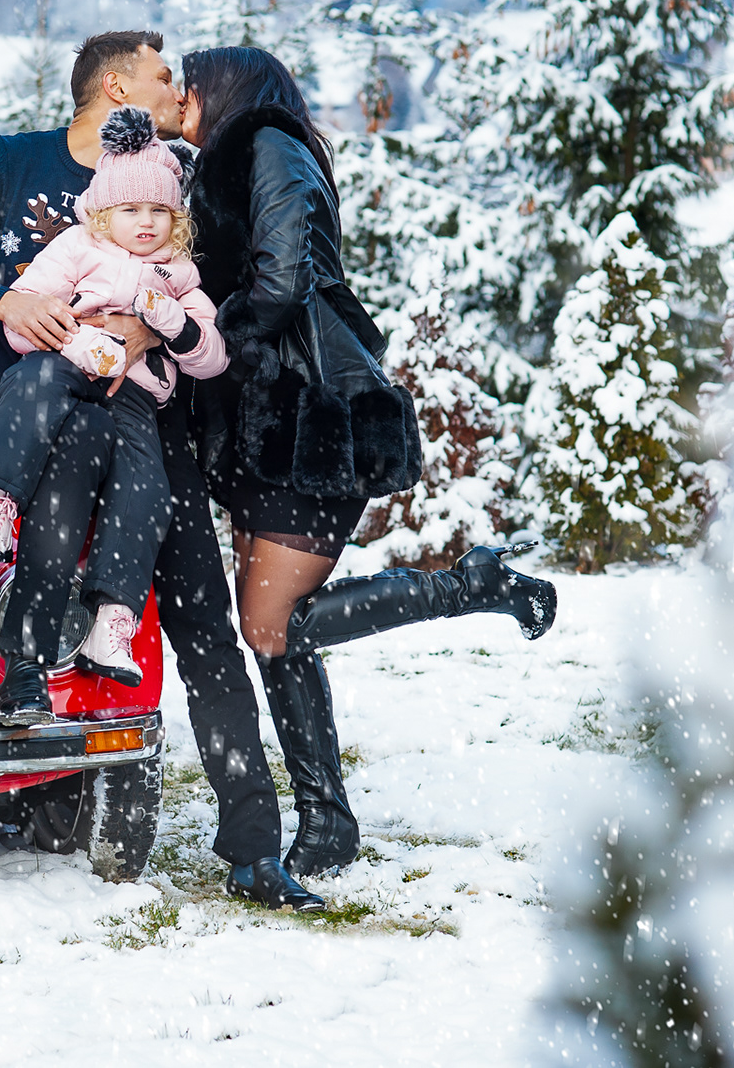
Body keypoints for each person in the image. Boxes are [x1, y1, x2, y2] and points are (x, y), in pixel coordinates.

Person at [0, 32, 323, 911]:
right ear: (118, 86)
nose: (181, 91)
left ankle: (253, 847)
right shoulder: (13, 166)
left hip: (157, 435)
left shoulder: (177, 183)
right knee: (39, 582)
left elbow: (216, 301)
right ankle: (21, 750)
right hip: (47, 426)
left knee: (206, 633)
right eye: (165, 75)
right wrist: (6, 301)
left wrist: (157, 329)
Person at [181, 45, 560, 880]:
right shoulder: (224, 163)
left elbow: (283, 277)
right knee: (272, 633)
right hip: (267, 424)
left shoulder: (269, 144)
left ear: (227, 89)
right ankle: (327, 822)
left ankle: (472, 585)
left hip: (313, 414)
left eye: (190, 84)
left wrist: (207, 340)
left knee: (273, 626)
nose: (179, 97)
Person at [0, 105, 227, 708]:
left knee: (147, 489)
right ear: (103, 212)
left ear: (176, 218)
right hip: (63, 366)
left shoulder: (179, 275)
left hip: (131, 397)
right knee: (29, 388)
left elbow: (211, 357)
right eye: (131, 210)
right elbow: (24, 319)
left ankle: (112, 622)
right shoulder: (77, 246)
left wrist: (168, 323)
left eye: (159, 211)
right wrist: (79, 340)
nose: (146, 222)